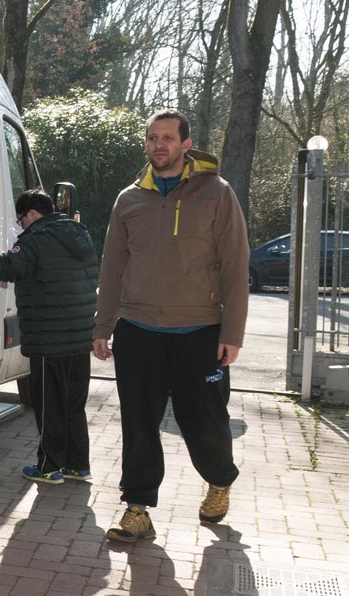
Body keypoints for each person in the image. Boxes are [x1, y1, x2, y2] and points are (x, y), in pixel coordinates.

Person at [93, 109, 249, 543]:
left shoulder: (216, 193)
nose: (159, 145)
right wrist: (103, 326)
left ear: (185, 144)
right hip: (138, 330)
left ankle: (219, 479)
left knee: (202, 422)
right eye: (152, 138)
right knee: (139, 423)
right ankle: (137, 508)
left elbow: (236, 265)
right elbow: (113, 267)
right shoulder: (129, 199)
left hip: (199, 331)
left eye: (167, 138)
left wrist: (231, 333)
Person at [0, 188, 98, 485]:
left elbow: (1, 268)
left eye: (21, 219)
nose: (21, 226)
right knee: (72, 404)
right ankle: (78, 465)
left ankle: (50, 467)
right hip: (80, 337)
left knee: (49, 405)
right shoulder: (80, 235)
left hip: (49, 338)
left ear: (32, 214)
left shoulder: (36, 240)